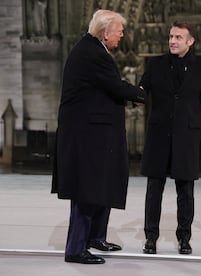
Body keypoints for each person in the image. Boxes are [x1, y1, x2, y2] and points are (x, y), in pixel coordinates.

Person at [51, 9, 146, 264]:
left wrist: (129, 97)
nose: (122, 34)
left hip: (96, 132)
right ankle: (75, 249)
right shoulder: (93, 54)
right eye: (119, 31)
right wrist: (140, 94)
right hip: (86, 136)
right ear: (106, 33)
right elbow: (114, 86)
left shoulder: (94, 50)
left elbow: (101, 90)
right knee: (87, 188)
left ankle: (95, 237)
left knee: (102, 183)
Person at [138, 21, 201, 255]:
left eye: (178, 37)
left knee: (185, 191)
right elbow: (142, 90)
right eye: (171, 36)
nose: (173, 41)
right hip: (159, 136)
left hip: (186, 137)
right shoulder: (155, 64)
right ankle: (150, 238)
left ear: (190, 41)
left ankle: (184, 238)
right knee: (154, 190)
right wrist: (132, 95)